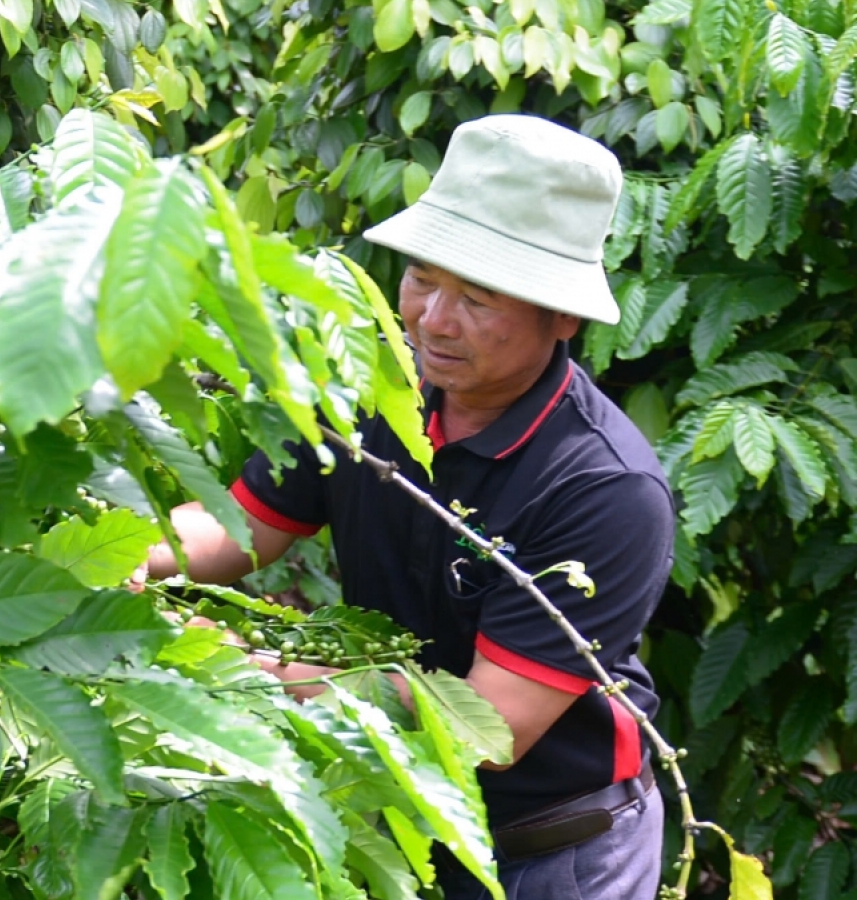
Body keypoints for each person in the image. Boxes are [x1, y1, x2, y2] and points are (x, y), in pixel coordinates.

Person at [138, 115, 675, 900]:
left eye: (478, 299)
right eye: (423, 277)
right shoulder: (368, 390)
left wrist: (241, 669)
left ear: (561, 318)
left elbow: (487, 731)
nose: (432, 319)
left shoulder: (602, 489)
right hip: (396, 815)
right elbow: (239, 527)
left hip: (553, 850)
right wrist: (112, 557)